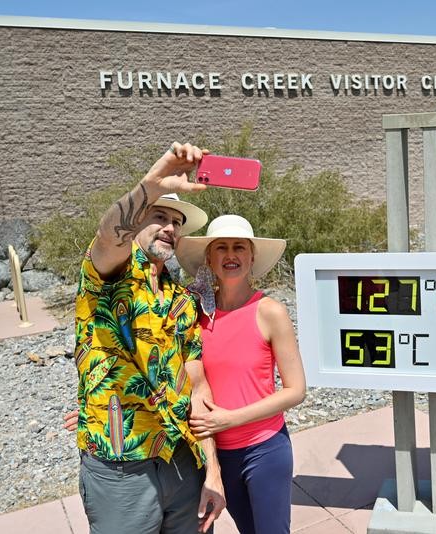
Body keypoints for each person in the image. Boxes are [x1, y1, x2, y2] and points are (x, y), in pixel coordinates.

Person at [70, 142, 226, 534]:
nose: (170, 228)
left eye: (177, 222)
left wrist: (213, 471)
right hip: (122, 467)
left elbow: (197, 385)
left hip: (182, 460)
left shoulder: (181, 300)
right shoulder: (107, 275)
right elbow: (108, 236)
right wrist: (149, 187)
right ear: (137, 221)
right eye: (159, 216)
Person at [175, 214, 306, 534]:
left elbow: (296, 390)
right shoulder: (194, 314)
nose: (230, 255)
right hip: (218, 455)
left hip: (265, 450)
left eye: (239, 247)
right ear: (209, 258)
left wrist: (230, 419)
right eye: (221, 247)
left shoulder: (270, 312)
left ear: (251, 256)